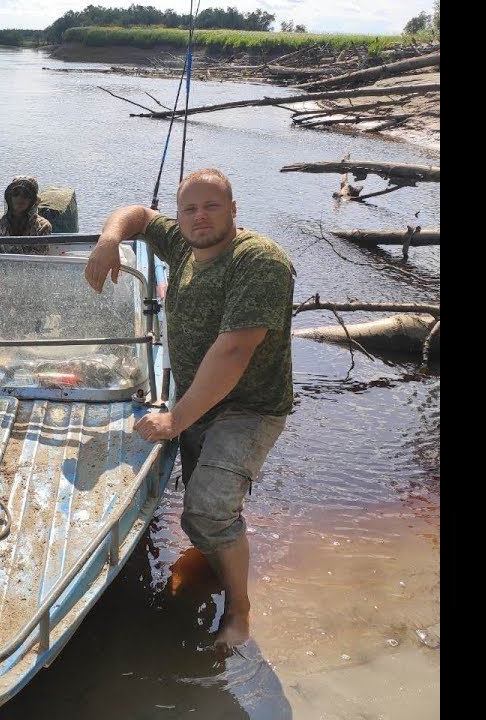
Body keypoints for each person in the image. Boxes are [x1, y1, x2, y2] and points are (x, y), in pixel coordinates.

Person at [84, 168, 294, 648]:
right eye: (190, 208)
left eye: (212, 206)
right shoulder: (182, 244)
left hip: (248, 406)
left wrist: (176, 418)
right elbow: (136, 213)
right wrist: (109, 238)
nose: (200, 217)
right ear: (179, 217)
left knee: (208, 508)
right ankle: (215, 562)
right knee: (205, 515)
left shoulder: (258, 261)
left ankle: (240, 614)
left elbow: (234, 351)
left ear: (234, 210)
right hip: (200, 396)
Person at [0, 176, 54, 253]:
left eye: (26, 194)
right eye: (16, 193)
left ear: (33, 200)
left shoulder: (43, 226)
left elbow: (38, 259)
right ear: (9, 197)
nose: (20, 198)